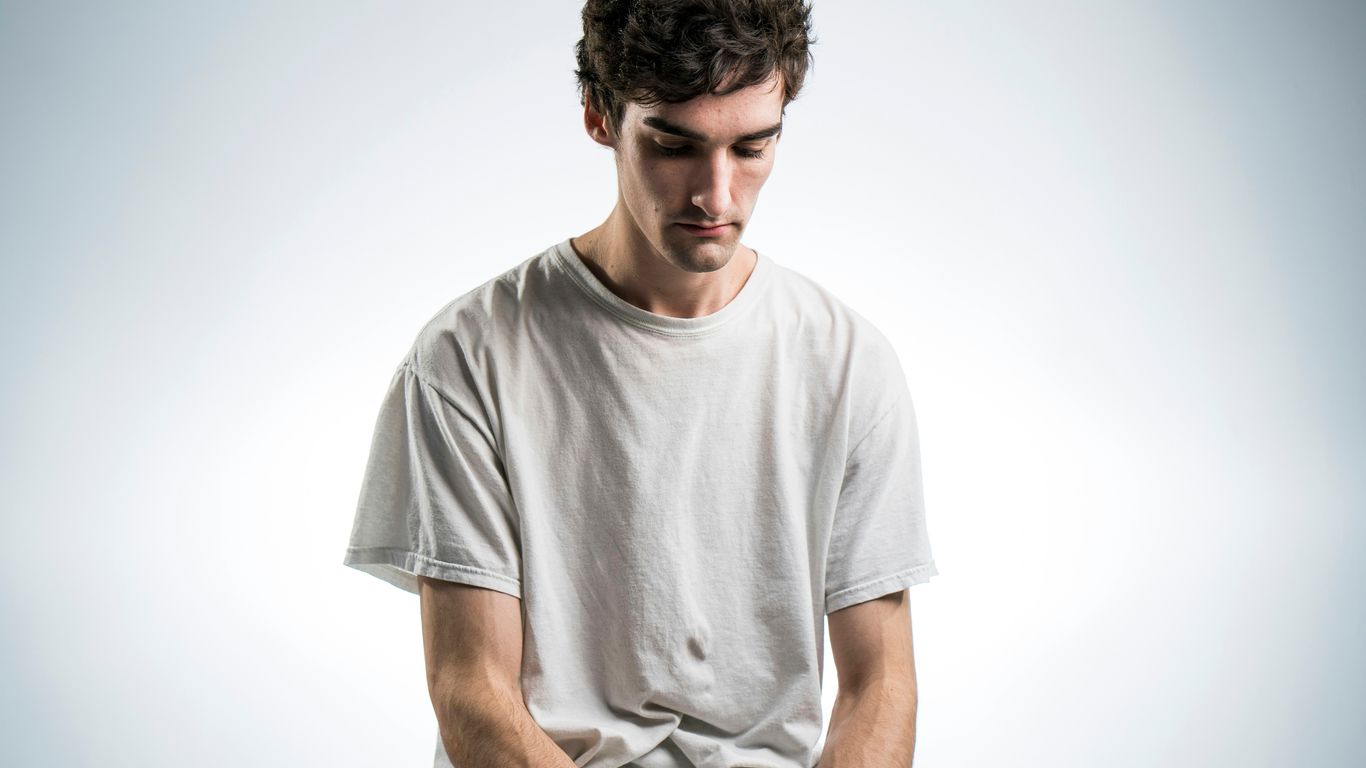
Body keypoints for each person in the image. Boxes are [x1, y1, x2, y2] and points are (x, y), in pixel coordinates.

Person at [342, 1, 937, 765]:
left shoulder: (848, 363)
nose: (717, 196)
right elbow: (473, 691)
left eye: (752, 147)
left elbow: (880, 686)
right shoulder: (468, 359)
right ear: (600, 116)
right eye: (674, 146)